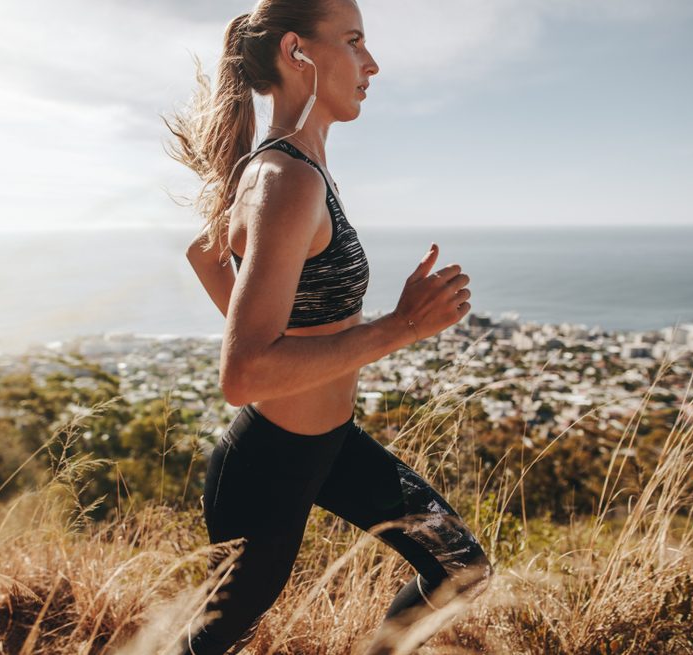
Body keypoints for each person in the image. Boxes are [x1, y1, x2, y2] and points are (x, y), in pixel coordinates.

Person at [162, 1, 492, 653]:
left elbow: (206, 252)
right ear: (298, 52)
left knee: (460, 566)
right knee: (217, 638)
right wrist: (401, 326)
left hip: (331, 445)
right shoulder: (284, 178)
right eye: (354, 41)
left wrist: (280, 329)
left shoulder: (295, 169)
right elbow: (245, 373)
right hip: (268, 463)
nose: (372, 63)